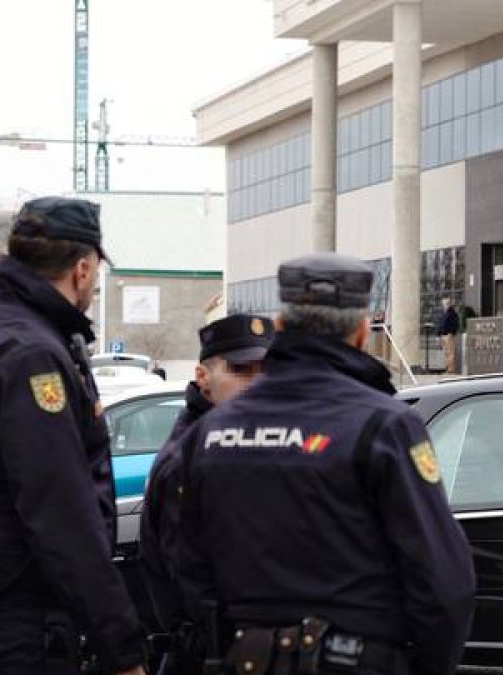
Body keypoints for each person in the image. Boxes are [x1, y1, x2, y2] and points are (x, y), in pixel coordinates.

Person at [173, 252, 476, 675]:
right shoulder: (384, 425)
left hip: (246, 658)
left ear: (279, 328)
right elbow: (443, 582)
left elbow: (185, 564)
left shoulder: (211, 432)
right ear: (361, 331)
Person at [0, 197, 144, 675]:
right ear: (82, 269)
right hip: (19, 613)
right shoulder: (30, 355)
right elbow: (61, 513)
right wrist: (122, 648)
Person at [137, 313, 274, 673]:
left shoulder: (245, 445)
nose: (257, 383)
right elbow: (191, 584)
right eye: (241, 370)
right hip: (208, 655)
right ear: (203, 378)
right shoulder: (189, 458)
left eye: (266, 371)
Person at [437, 297, 460, 375]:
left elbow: (455, 324)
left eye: (446, 303)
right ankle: (447, 369)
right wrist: (439, 334)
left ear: (449, 304)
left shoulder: (452, 313)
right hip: (443, 336)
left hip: (449, 335)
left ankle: (451, 370)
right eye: (443, 303)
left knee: (450, 353)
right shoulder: (444, 313)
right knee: (447, 353)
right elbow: (441, 325)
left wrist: (451, 333)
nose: (444, 305)